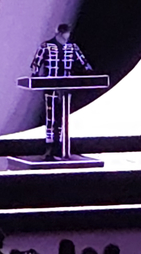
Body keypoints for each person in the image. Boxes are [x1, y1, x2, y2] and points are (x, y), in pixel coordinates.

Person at [30, 23, 95, 159]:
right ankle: (50, 147)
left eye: (68, 33)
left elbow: (83, 62)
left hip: (66, 86)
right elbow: (36, 62)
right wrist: (35, 76)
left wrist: (90, 73)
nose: (66, 36)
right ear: (58, 33)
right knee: (51, 116)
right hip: (51, 85)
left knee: (63, 116)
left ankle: (61, 145)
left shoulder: (72, 48)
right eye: (64, 33)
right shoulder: (46, 46)